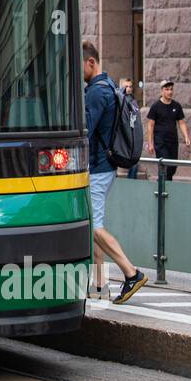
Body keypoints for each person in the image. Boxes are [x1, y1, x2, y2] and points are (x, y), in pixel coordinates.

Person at [82, 41, 148, 304]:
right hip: (105, 167)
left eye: (79, 65)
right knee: (92, 224)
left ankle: (131, 273)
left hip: (97, 168)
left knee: (96, 227)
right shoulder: (109, 85)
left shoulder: (97, 93)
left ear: (91, 63)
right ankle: (99, 284)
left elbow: (84, 130)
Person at [146, 79, 191, 181]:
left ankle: (165, 188)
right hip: (160, 142)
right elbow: (150, 125)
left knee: (172, 167)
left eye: (171, 89)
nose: (170, 92)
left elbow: (181, 122)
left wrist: (186, 137)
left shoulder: (176, 106)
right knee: (165, 166)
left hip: (173, 142)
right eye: (167, 89)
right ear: (162, 91)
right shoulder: (156, 106)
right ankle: (161, 188)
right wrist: (150, 143)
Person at [120, 78, 140, 179]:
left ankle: (131, 182)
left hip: (133, 136)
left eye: (130, 86)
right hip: (122, 136)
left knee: (134, 164)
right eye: (126, 86)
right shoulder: (120, 100)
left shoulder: (134, 102)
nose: (128, 89)